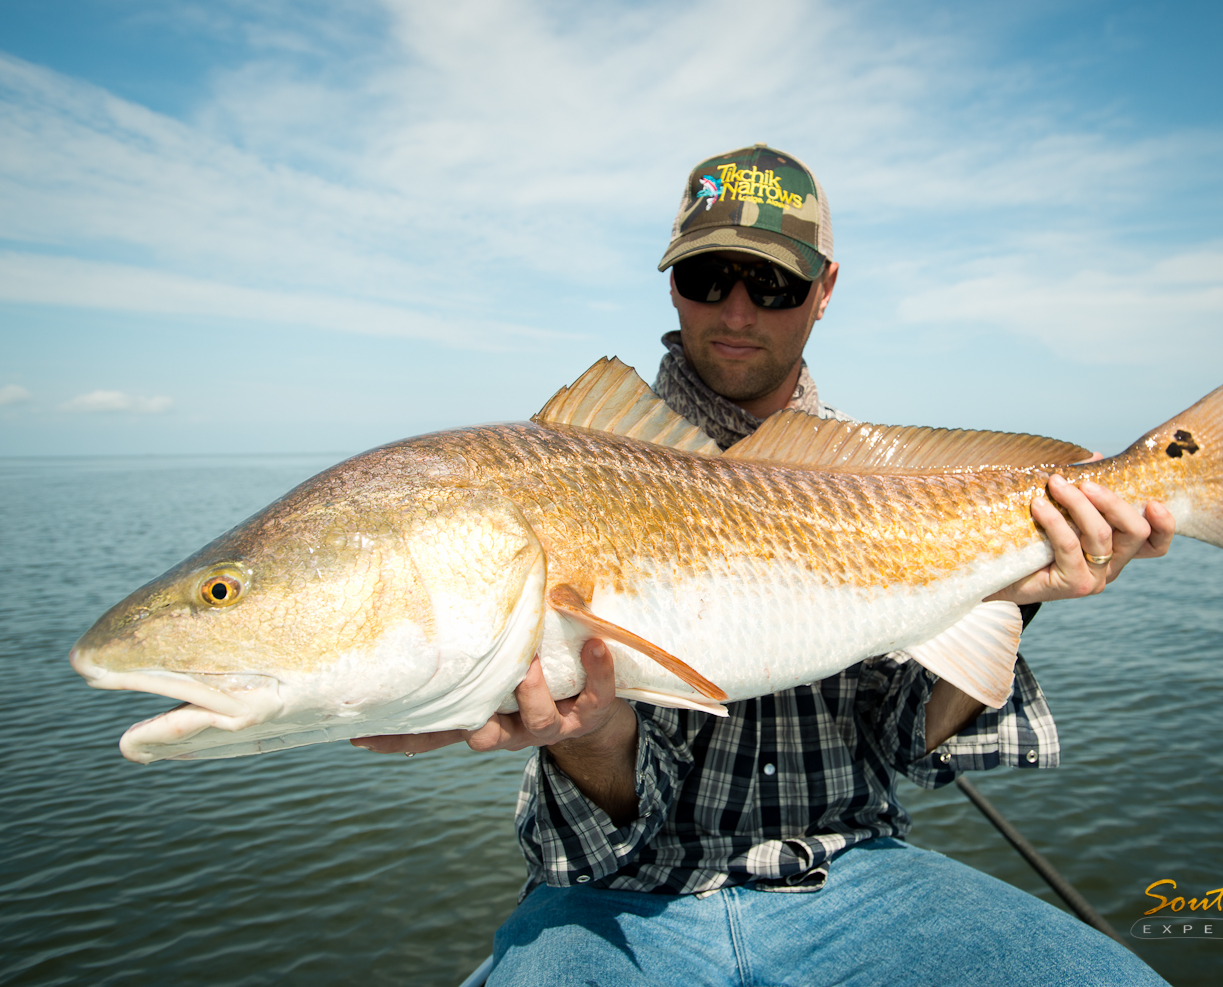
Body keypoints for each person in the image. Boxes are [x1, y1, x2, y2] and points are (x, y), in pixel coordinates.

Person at [356, 145, 1176, 986]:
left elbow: (904, 743)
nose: (737, 310)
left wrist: (1012, 591)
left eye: (774, 284)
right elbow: (593, 826)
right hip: (617, 897)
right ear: (671, 282)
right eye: (708, 276)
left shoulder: (889, 481)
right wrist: (590, 733)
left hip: (857, 871)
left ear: (823, 291)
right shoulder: (571, 462)